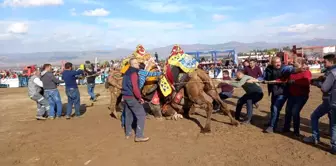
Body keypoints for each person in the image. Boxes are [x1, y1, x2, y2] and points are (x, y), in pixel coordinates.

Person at [303, 54, 336, 154]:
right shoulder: (329, 72)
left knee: (315, 116)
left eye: (325, 61)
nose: (323, 63)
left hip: (330, 100)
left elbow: (324, 88)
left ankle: (316, 137)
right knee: (333, 121)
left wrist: (316, 83)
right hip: (330, 100)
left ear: (331, 62)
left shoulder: (332, 73)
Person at [122, 58, 149, 142]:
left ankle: (128, 133)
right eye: (136, 63)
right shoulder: (134, 73)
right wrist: (139, 98)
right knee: (141, 114)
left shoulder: (126, 73)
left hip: (125, 96)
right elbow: (135, 88)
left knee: (128, 114)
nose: (138, 64)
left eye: (137, 63)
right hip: (131, 97)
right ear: (132, 65)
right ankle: (139, 136)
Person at [283, 57, 312, 136]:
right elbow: (286, 79)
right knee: (288, 111)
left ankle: (296, 131)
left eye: (294, 62)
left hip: (301, 96)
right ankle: (286, 128)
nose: (292, 63)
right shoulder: (292, 72)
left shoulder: (306, 72)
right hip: (292, 95)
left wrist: (294, 82)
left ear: (300, 63)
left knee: (295, 112)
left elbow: (307, 82)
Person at [263, 56, 289, 133]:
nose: (278, 64)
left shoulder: (285, 69)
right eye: (276, 62)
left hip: (283, 91)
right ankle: (272, 121)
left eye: (279, 62)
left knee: (275, 108)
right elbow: (265, 77)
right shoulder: (269, 69)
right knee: (272, 107)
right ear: (272, 63)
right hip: (274, 91)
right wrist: (260, 80)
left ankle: (272, 126)